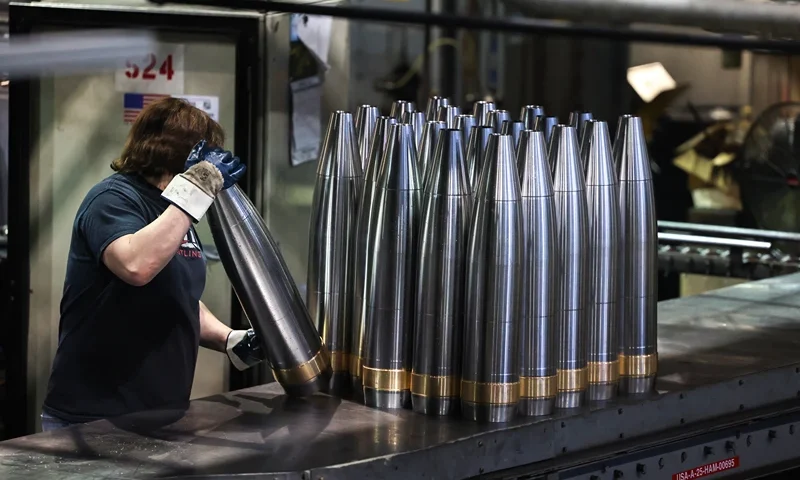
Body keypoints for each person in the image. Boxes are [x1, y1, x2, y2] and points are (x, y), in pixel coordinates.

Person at [41, 98, 265, 431]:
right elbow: (136, 266)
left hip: (161, 414)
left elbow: (175, 291)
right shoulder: (112, 199)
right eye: (203, 153)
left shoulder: (171, 209)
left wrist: (229, 339)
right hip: (96, 419)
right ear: (176, 151)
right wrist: (197, 188)